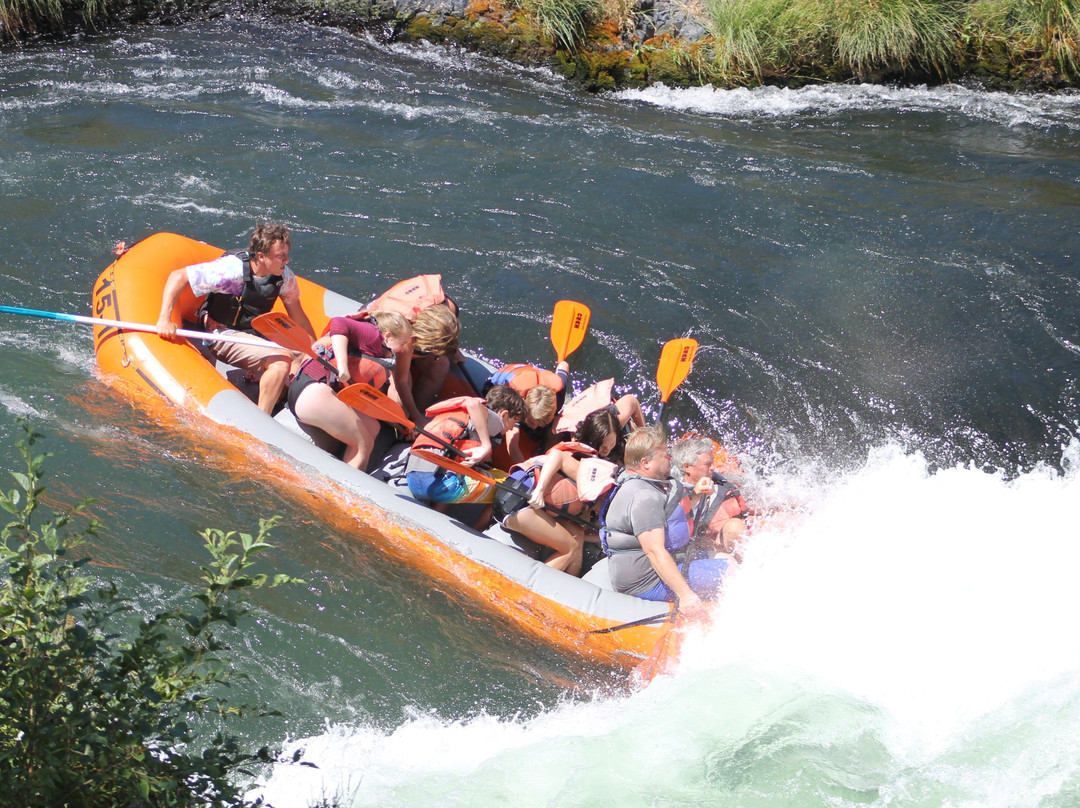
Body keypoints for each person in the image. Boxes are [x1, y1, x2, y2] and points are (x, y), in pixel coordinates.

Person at [156, 222, 315, 414]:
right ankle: (262, 421)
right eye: (281, 256)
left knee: (301, 358)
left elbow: (299, 320)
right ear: (261, 257)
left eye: (287, 254)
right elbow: (178, 276)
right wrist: (165, 318)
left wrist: (315, 353)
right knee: (281, 360)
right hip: (221, 333)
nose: (287, 260)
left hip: (252, 334)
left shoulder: (284, 278)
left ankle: (277, 396)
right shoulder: (232, 270)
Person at [600, 426, 731, 615]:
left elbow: (669, 511)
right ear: (646, 463)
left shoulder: (642, 483)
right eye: (664, 454)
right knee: (729, 573)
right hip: (646, 582)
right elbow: (653, 551)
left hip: (658, 566)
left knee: (726, 558)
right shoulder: (643, 496)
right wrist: (686, 595)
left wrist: (695, 493)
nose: (670, 457)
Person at [287, 311, 413, 471]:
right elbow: (338, 323)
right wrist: (342, 364)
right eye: (402, 343)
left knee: (372, 427)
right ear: (387, 336)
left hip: (318, 392)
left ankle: (343, 470)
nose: (402, 349)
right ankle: (341, 491)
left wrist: (402, 425)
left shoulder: (378, 352)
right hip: (311, 388)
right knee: (363, 444)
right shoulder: (373, 334)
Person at [404, 384, 526, 527]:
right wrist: (486, 445)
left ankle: (436, 516)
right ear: (504, 414)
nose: (512, 428)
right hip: (439, 487)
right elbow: (473, 403)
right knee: (514, 486)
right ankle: (478, 531)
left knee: (463, 471)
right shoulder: (495, 421)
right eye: (514, 422)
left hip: (413, 478)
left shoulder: (463, 417)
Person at [671, 436, 748, 559]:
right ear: (687, 467)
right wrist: (697, 494)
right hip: (695, 555)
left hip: (726, 546)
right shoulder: (674, 493)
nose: (713, 467)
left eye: (712, 462)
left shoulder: (724, 487)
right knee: (734, 527)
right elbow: (674, 524)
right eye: (708, 464)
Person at [486, 360, 571, 467]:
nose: (534, 427)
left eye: (540, 424)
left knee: (554, 430)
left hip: (538, 382)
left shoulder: (559, 393)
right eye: (531, 421)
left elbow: (564, 365)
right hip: (503, 385)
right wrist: (527, 470)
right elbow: (512, 446)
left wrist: (561, 361)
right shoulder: (518, 403)